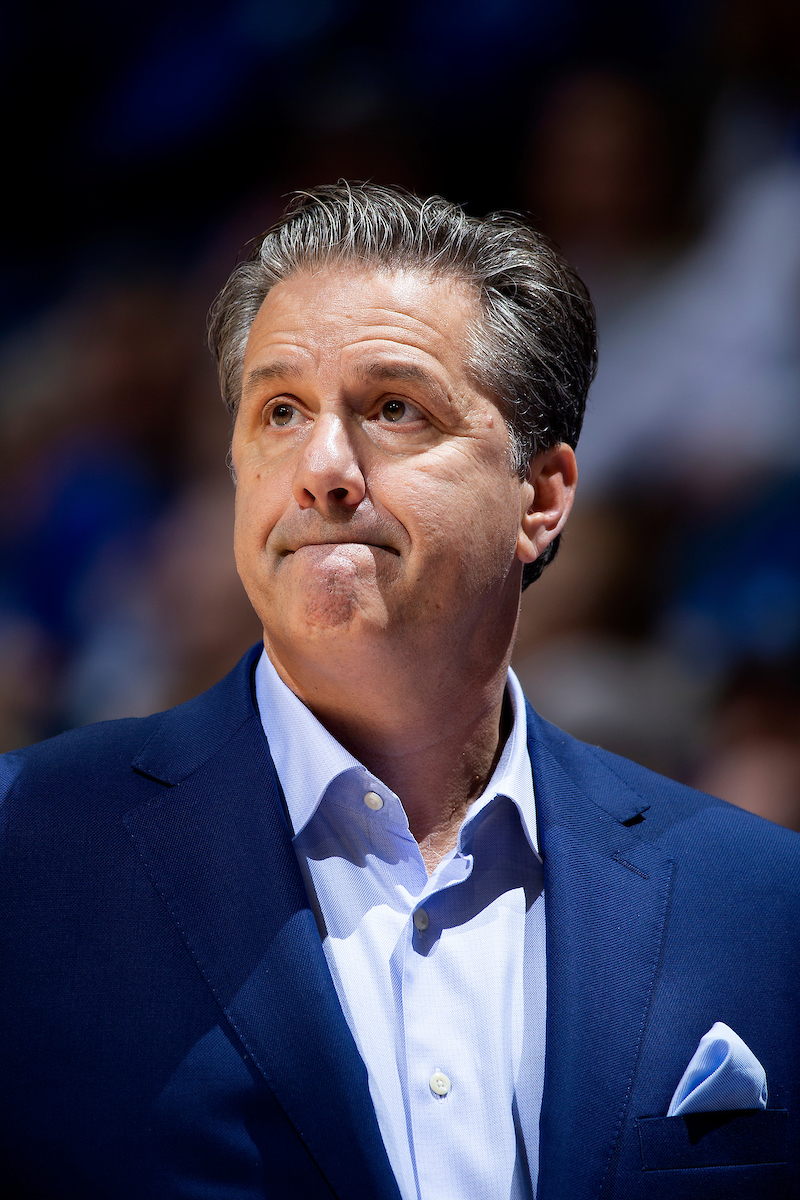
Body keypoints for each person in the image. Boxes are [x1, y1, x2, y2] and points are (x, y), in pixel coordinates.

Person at [0, 184, 797, 1200]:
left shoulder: (764, 906)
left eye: (392, 409)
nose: (322, 470)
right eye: (278, 410)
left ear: (541, 497)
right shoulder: (24, 851)